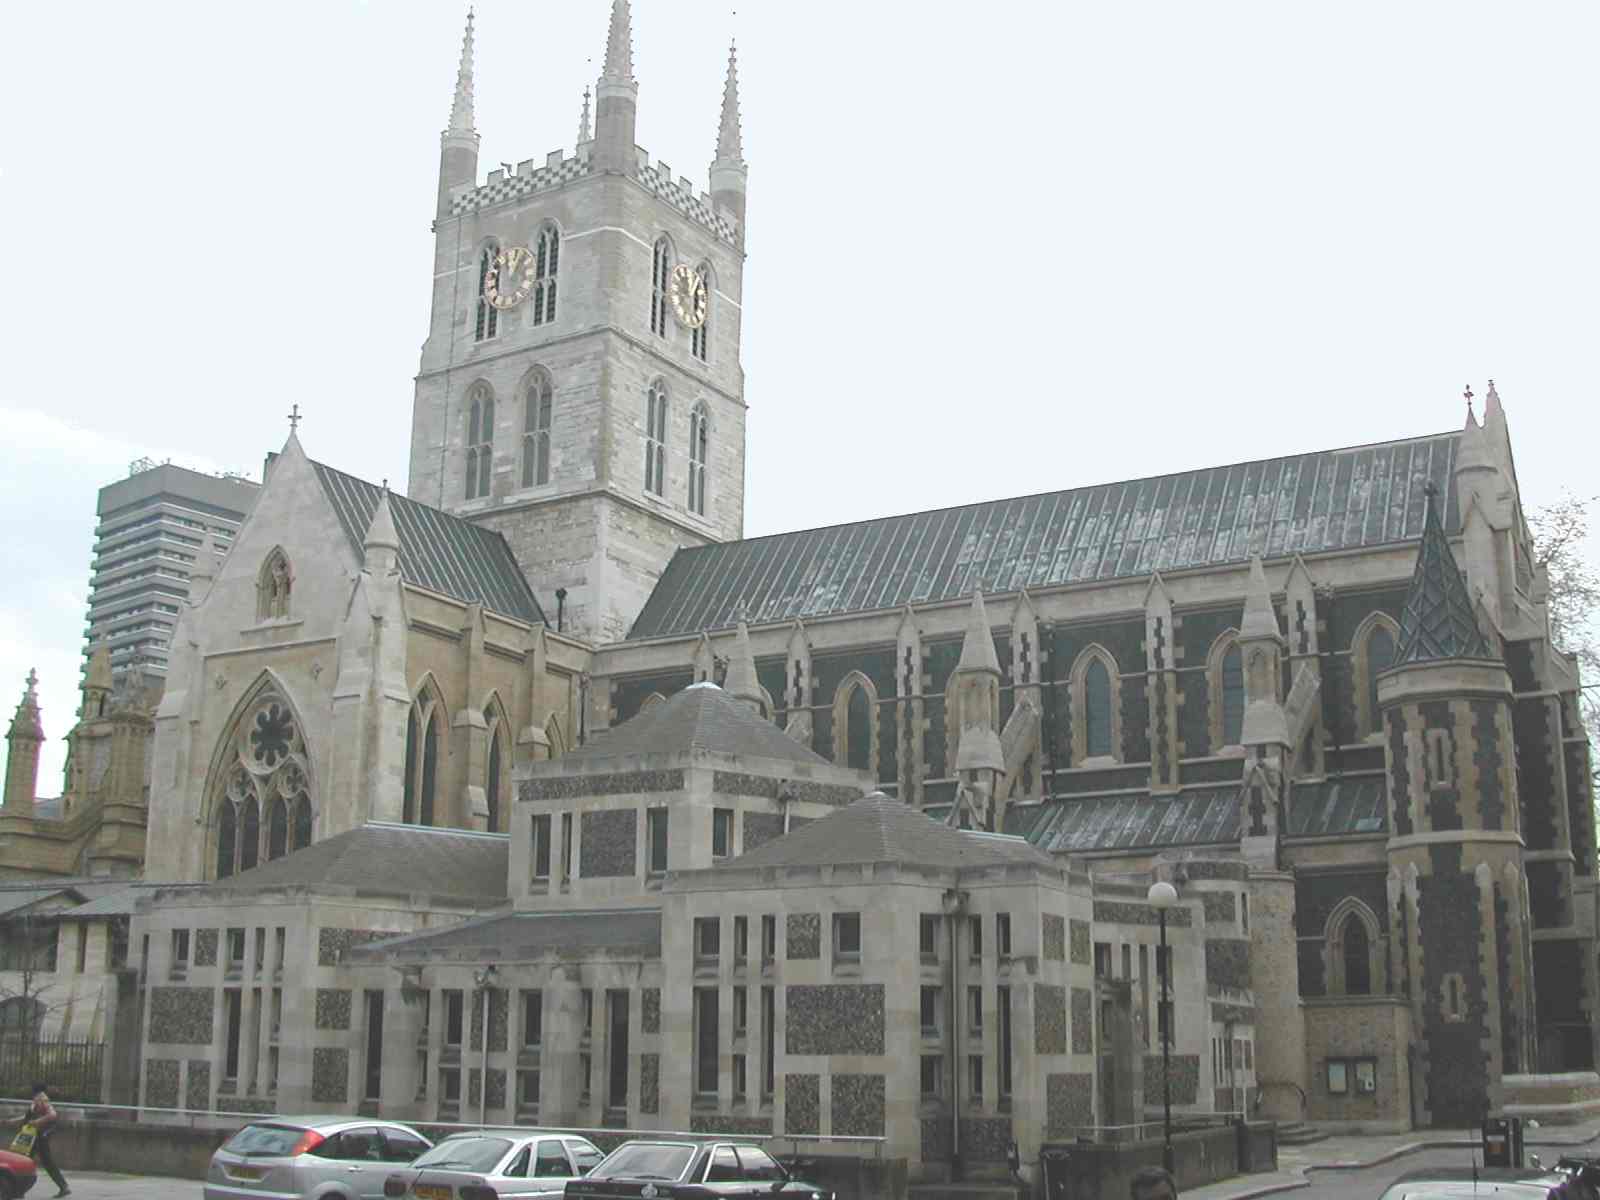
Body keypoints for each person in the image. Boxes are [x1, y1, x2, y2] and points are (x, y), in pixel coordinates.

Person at [27, 1083, 69, 1198]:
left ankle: (63, 1186)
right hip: (35, 1135)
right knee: (28, 1159)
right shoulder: (38, 1099)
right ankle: (63, 1186)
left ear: (35, 1089)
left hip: (41, 1135)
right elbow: (29, 1117)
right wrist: (10, 1121)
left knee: (41, 1161)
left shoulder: (42, 1099)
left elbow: (52, 1115)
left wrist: (37, 1122)